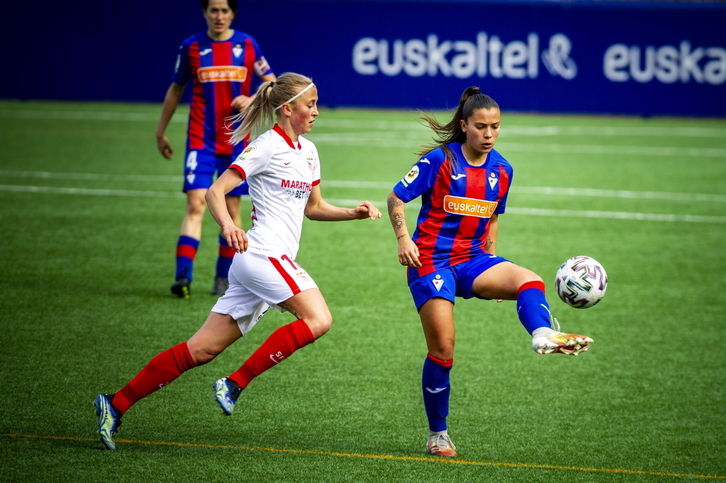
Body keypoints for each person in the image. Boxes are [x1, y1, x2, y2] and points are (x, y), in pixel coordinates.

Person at [95, 72, 382, 450]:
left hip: (266, 264)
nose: (315, 111)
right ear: (287, 109)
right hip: (262, 255)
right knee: (319, 318)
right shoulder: (265, 146)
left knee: (201, 350)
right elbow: (217, 190)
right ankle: (234, 382)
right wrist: (229, 225)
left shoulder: (309, 152)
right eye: (309, 104)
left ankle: (115, 404)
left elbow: (314, 208)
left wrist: (353, 214)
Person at [386, 87, 594, 457]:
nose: (488, 134)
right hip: (431, 262)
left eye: (495, 127)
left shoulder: (503, 170)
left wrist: (495, 265)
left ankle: (542, 333)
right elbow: (396, 197)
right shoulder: (440, 161)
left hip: (474, 259)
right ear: (464, 126)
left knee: (529, 279)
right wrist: (404, 239)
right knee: (443, 349)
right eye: (481, 126)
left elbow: (492, 219)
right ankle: (438, 433)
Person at [155, 0, 277, 298]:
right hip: (201, 139)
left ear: (233, 13)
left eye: (224, 11)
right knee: (196, 203)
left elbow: (272, 82)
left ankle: (222, 279)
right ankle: (182, 278)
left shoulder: (247, 44)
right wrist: (161, 130)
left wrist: (252, 98)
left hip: (236, 140)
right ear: (205, 13)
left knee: (232, 208)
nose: (219, 16)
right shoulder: (192, 47)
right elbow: (176, 87)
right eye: (214, 10)